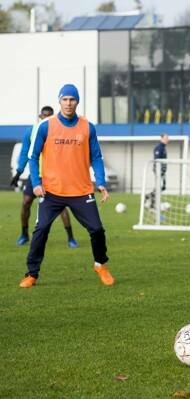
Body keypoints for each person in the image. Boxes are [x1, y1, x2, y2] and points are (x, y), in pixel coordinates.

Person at [19, 84, 114, 288]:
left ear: (77, 101)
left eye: (72, 99)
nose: (69, 103)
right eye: (65, 99)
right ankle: (32, 274)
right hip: (51, 191)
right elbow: (33, 157)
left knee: (97, 230)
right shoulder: (46, 126)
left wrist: (101, 182)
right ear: (59, 101)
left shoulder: (87, 127)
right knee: (41, 229)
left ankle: (101, 265)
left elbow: (96, 157)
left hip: (81, 191)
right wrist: (36, 183)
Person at [10, 105, 78, 248]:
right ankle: (24, 234)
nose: (46, 118)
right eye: (44, 116)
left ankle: (71, 238)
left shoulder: (60, 131)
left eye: (49, 116)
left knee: (60, 207)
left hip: (53, 176)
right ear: (40, 116)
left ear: (53, 116)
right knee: (26, 202)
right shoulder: (31, 131)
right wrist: (18, 173)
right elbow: (25, 153)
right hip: (35, 175)